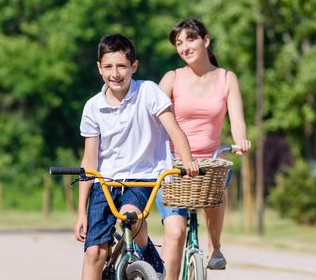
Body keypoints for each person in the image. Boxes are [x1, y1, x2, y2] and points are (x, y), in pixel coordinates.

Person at [74, 34, 198, 280]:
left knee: (131, 216)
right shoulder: (93, 107)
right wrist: (81, 211)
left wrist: (187, 162)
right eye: (108, 67)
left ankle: (146, 254)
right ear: (99, 68)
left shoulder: (148, 92)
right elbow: (89, 162)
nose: (115, 73)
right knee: (94, 254)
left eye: (121, 66)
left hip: (142, 178)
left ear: (134, 66)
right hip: (105, 182)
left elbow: (175, 130)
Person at [159, 18, 252, 271]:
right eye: (179, 43)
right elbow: (151, 115)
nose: (184, 47)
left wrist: (240, 140)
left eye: (191, 39)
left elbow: (237, 121)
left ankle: (215, 245)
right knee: (175, 234)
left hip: (208, 162)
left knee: (218, 180)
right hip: (173, 165)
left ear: (206, 40)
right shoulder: (172, 78)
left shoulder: (226, 78)